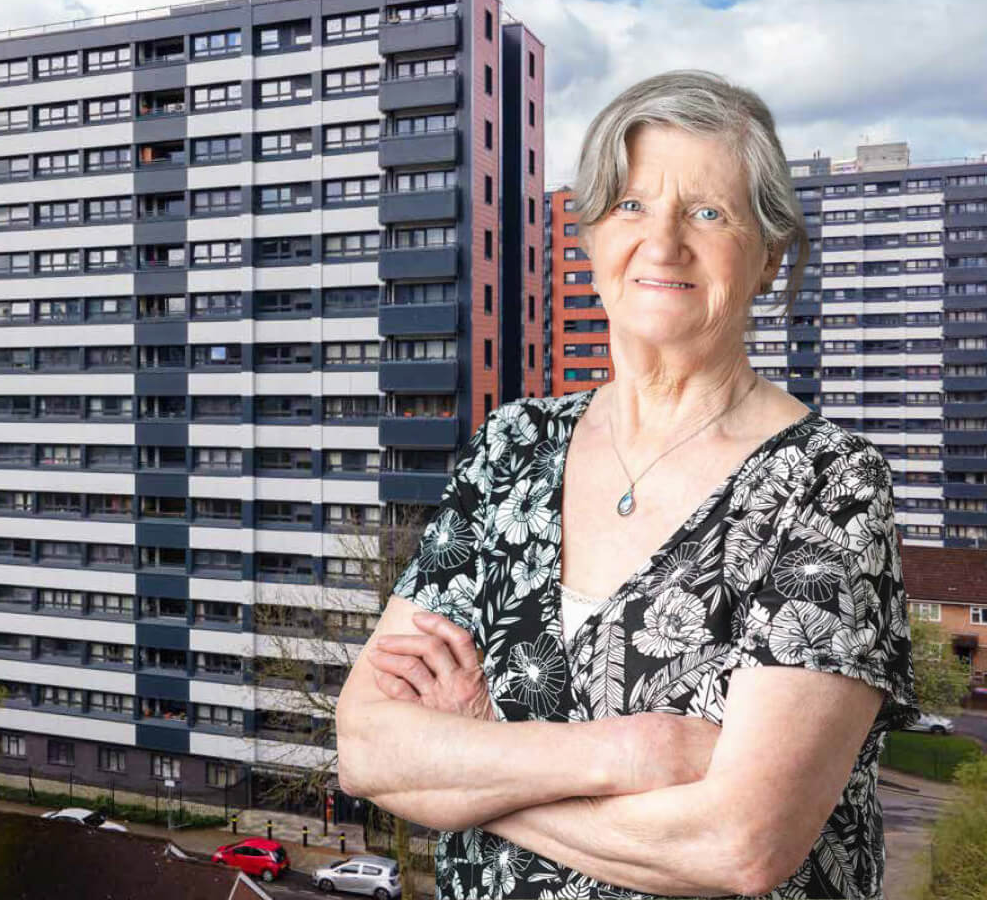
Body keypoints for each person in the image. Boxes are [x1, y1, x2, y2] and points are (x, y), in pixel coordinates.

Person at [335, 69, 921, 899]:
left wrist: (471, 776)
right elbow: (366, 747)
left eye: (708, 213)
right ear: (591, 237)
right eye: (632, 205)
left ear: (768, 256)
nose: (663, 242)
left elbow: (740, 844)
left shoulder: (829, 485)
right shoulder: (512, 448)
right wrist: (634, 752)